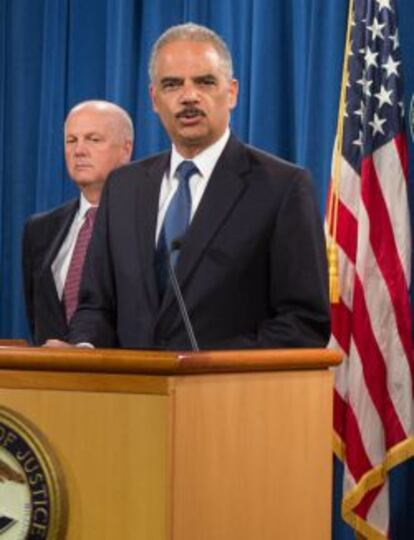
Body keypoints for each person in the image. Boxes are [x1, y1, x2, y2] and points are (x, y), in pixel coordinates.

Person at [54, 23, 330, 350]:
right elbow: (95, 305)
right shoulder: (123, 187)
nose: (188, 96)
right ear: (154, 99)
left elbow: (303, 324)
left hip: (228, 397)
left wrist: (203, 369)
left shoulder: (282, 187)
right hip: (132, 397)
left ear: (232, 93)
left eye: (204, 82)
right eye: (172, 84)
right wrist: (84, 350)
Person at [22, 100, 134, 345]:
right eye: (71, 140)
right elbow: (37, 319)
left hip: (122, 376)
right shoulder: (40, 229)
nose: (79, 150)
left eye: (93, 139)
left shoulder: (146, 224)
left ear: (126, 149)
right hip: (50, 378)